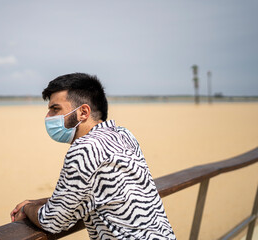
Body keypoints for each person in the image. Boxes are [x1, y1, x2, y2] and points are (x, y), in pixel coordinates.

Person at [10, 73, 176, 240]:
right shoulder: (124, 135)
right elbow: (90, 195)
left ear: (83, 112)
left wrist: (26, 209)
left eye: (55, 109)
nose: (48, 117)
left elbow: (52, 221)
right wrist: (38, 203)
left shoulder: (84, 149)